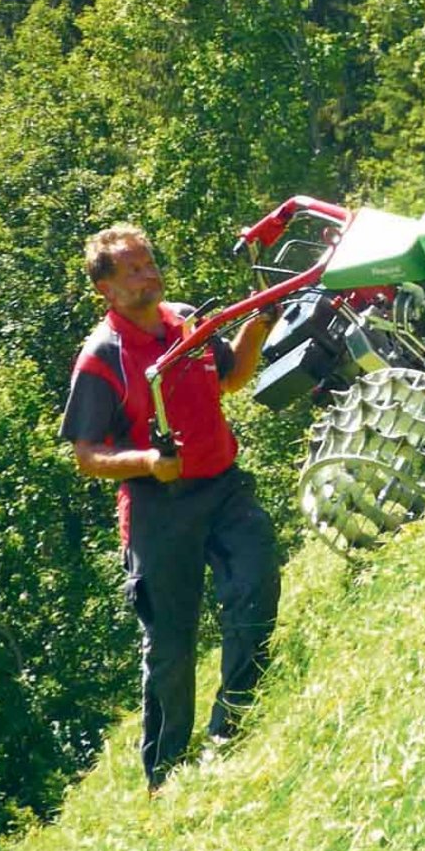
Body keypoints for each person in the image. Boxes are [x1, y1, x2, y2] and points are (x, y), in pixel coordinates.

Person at [60, 223, 280, 794]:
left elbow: (231, 380)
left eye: (149, 262)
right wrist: (146, 462)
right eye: (131, 269)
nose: (147, 274)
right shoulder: (102, 358)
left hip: (224, 487)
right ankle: (167, 774)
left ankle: (235, 721)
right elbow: (87, 455)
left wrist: (259, 328)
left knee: (256, 587)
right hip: (160, 511)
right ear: (105, 289)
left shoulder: (187, 323)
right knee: (172, 648)